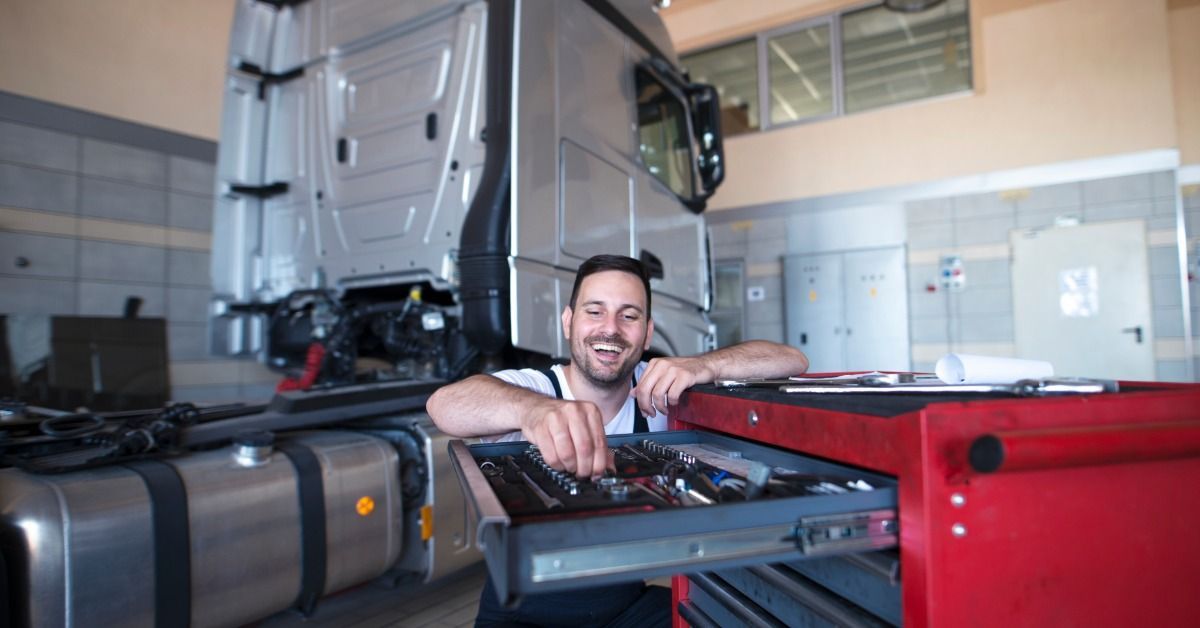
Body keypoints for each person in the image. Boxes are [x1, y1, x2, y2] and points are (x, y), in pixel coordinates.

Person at [427, 254, 809, 627]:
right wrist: (533, 412)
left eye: (629, 316)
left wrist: (704, 364)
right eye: (594, 311)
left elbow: (792, 360)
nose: (610, 329)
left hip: (624, 606)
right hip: (523, 611)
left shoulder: (660, 388)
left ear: (647, 333)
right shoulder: (536, 387)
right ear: (568, 322)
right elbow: (443, 406)